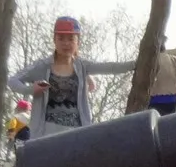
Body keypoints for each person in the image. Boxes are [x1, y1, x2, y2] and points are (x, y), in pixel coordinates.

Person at [9, 17, 138, 138]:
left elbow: (109, 67)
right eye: (61, 38)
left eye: (71, 39)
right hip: (46, 134)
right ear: (54, 40)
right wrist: (31, 89)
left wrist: (136, 64)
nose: (66, 43)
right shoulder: (41, 66)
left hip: (77, 133)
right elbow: (13, 81)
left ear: (77, 42)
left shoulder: (82, 66)